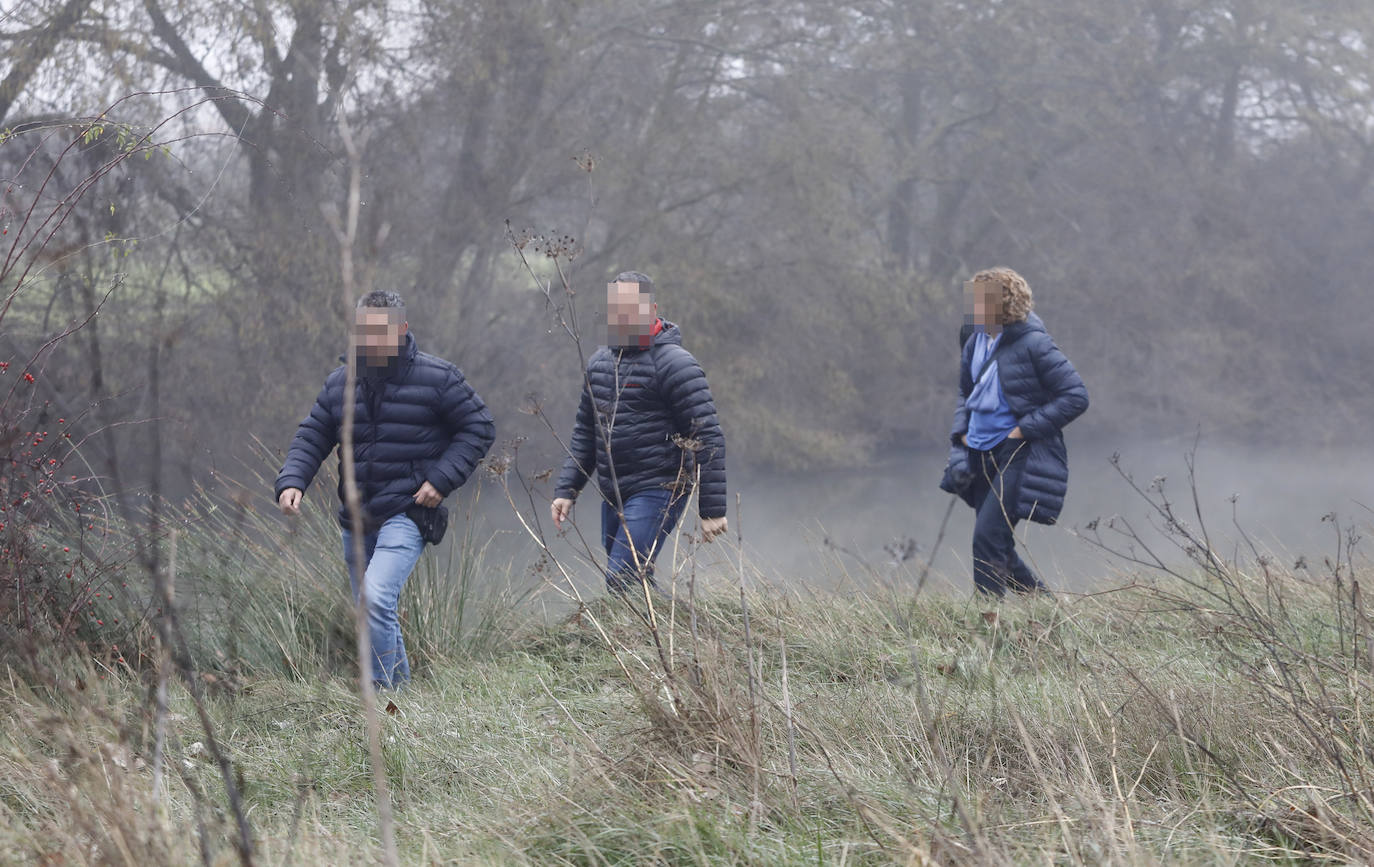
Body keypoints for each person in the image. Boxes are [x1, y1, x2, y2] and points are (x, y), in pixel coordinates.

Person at [274, 290, 494, 688]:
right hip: (356, 517)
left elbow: (479, 428)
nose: (370, 340)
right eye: (363, 331)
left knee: (375, 599)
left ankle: (376, 698)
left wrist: (440, 481)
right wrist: (292, 481)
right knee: (372, 610)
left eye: (380, 331)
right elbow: (313, 435)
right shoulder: (340, 382)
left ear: (402, 330)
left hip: (408, 511)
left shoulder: (439, 378)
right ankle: (402, 699)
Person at [550, 271, 728, 593]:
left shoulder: (676, 364)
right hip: (614, 489)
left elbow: (708, 435)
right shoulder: (600, 363)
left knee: (621, 577)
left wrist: (712, 510)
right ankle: (673, 636)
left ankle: (648, 639)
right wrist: (568, 489)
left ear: (651, 308)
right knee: (636, 580)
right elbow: (586, 433)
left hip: (660, 486)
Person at [941, 268, 1088, 596]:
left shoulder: (1034, 343)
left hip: (1015, 454)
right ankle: (1047, 607)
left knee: (987, 538)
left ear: (1003, 305)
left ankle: (988, 626)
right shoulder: (971, 336)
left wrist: (1024, 430)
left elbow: (1076, 396)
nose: (972, 307)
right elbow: (966, 392)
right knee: (998, 545)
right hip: (978, 451)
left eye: (980, 301)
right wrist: (961, 433)